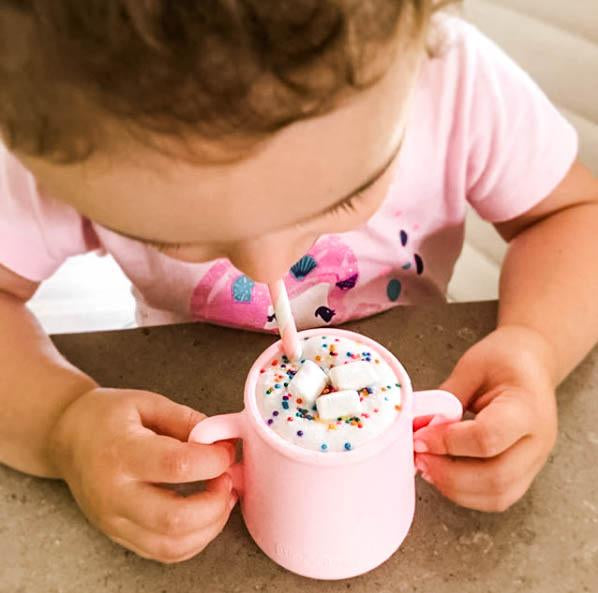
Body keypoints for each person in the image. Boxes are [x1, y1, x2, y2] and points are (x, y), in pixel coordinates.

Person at [0, 0, 596, 564]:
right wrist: (61, 424)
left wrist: (534, 344)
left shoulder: (451, 79)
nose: (267, 269)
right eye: (179, 239)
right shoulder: (67, 118)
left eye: (343, 198)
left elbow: (574, 218)